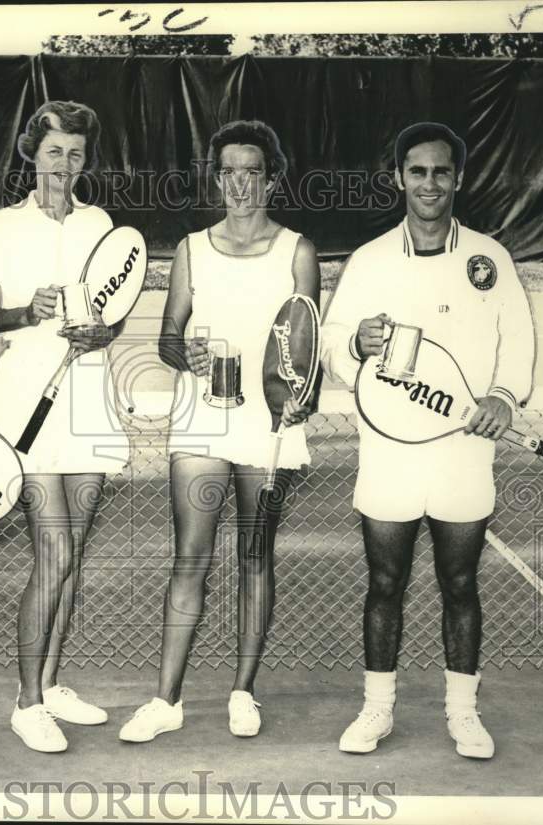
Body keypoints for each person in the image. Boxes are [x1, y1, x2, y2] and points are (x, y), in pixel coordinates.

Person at [321, 122, 535, 759]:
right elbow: (333, 343)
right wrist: (354, 344)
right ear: (398, 179)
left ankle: (463, 713)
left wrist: (502, 396)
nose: (430, 183)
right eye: (418, 171)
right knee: (384, 583)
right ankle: (376, 709)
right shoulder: (369, 259)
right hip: (388, 451)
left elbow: (516, 342)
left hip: (462, 451)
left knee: (460, 583)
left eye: (442, 171)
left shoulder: (489, 259)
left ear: (459, 179)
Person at [118, 120, 319, 743]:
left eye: (251, 171)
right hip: (201, 422)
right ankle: (166, 700)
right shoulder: (190, 249)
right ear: (217, 178)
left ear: (271, 178)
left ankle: (242, 692)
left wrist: (301, 398)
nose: (239, 183)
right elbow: (168, 337)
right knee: (190, 559)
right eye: (228, 170)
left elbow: (306, 345)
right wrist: (189, 357)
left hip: (268, 426)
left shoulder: (298, 251)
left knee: (255, 557)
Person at [0, 100, 125, 753]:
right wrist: (28, 310)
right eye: (55, 151)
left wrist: (101, 332)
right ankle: (26, 702)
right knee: (52, 554)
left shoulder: (103, 225)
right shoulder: (2, 226)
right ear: (33, 153)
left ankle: (52, 683)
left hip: (88, 398)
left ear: (88, 159)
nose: (65, 164)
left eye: (77, 153)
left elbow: (113, 312)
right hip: (24, 399)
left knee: (72, 556)